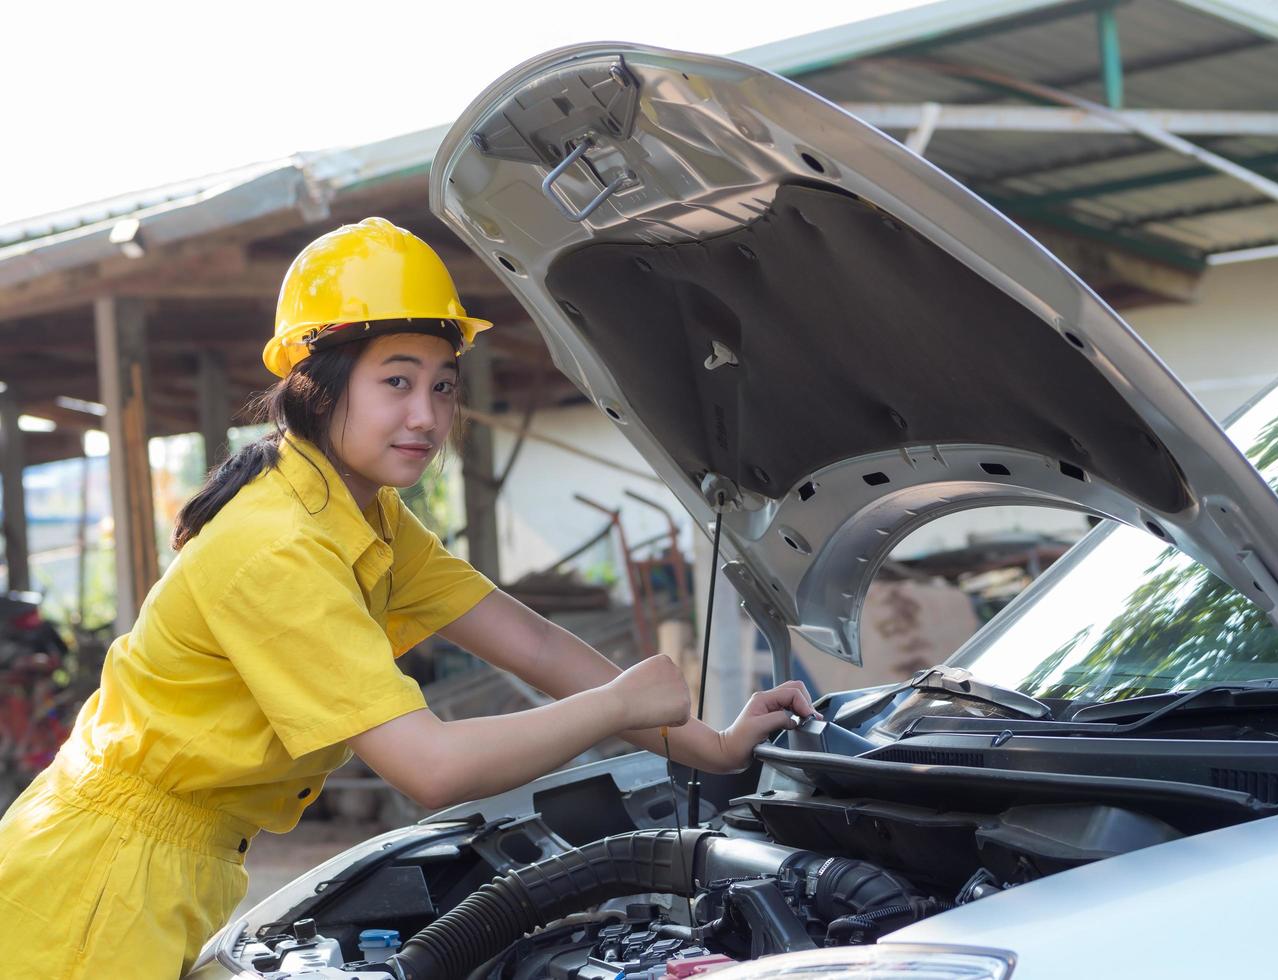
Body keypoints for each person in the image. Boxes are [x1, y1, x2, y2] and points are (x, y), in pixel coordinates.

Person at [0, 216, 819, 977]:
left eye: (443, 386)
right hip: (96, 883)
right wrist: (616, 708)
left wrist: (706, 744)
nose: (425, 416)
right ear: (318, 384)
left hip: (173, 865)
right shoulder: (277, 546)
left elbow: (529, 644)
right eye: (396, 381)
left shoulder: (366, 516)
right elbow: (428, 767)